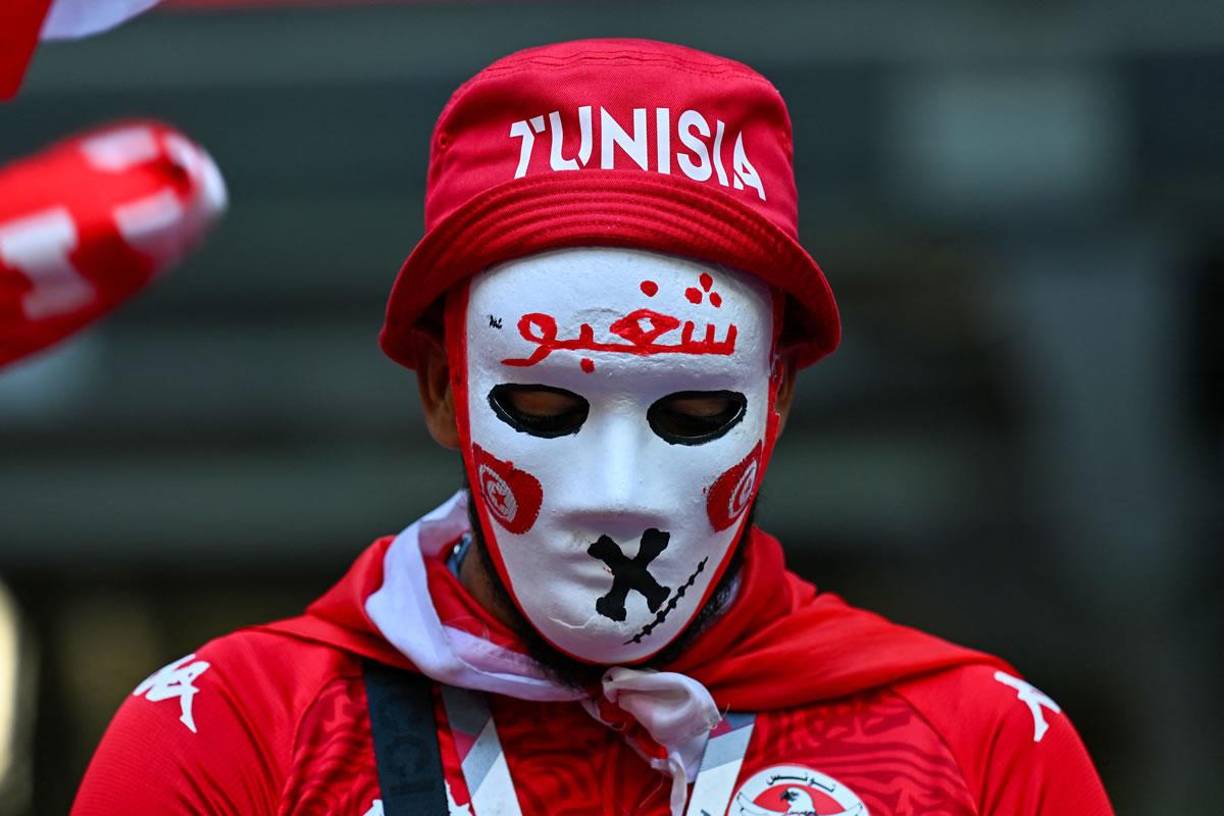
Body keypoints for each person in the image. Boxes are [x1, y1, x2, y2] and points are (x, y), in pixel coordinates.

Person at [71, 39, 1114, 816]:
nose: (618, 490)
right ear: (443, 389)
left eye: (697, 411)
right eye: (543, 404)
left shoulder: (983, 751)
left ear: (778, 401)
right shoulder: (235, 739)